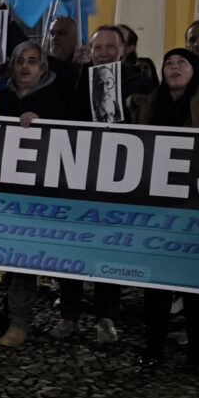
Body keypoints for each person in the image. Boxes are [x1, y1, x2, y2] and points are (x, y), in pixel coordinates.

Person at [128, 49, 199, 372]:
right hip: (159, 204)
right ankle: (153, 349)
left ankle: (197, 355)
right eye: (168, 63)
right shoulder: (151, 103)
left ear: (195, 71)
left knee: (196, 285)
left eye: (182, 63)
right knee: (156, 284)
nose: (174, 67)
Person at [52, 25, 136, 342]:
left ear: (123, 50)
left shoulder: (137, 80)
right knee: (72, 245)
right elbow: (62, 113)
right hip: (78, 175)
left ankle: (106, 317)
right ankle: (69, 315)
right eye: (97, 47)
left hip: (117, 178)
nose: (103, 53)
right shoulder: (78, 77)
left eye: (110, 47)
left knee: (107, 248)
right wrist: (76, 73)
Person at [0, 41, 66, 347]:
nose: (24, 67)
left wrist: (44, 124)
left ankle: (20, 319)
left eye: (32, 61)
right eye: (20, 60)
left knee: (23, 252)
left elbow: (72, 138)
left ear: (42, 67)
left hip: (35, 191)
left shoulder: (56, 99)